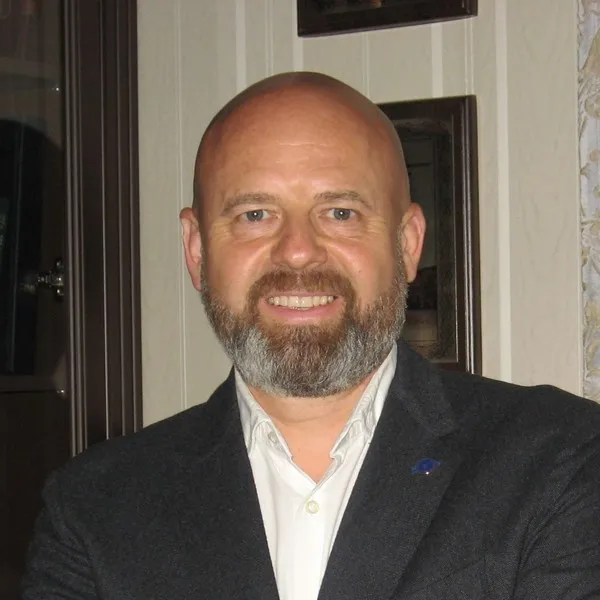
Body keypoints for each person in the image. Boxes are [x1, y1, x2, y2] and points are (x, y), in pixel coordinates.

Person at [22, 72, 600, 600]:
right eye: (255, 215)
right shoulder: (92, 508)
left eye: (340, 213)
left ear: (406, 244)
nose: (298, 251)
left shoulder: (559, 459)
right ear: (197, 250)